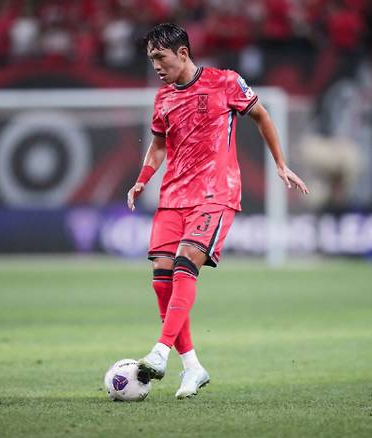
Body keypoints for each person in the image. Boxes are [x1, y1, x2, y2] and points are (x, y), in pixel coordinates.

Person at [126, 23, 309, 399]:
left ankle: (160, 352)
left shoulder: (226, 82)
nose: (156, 66)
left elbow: (262, 115)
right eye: (150, 59)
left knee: (185, 263)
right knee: (161, 278)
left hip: (216, 193)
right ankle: (192, 366)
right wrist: (143, 179)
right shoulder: (163, 98)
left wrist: (280, 163)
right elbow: (158, 146)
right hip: (173, 196)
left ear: (182, 53)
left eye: (160, 57)